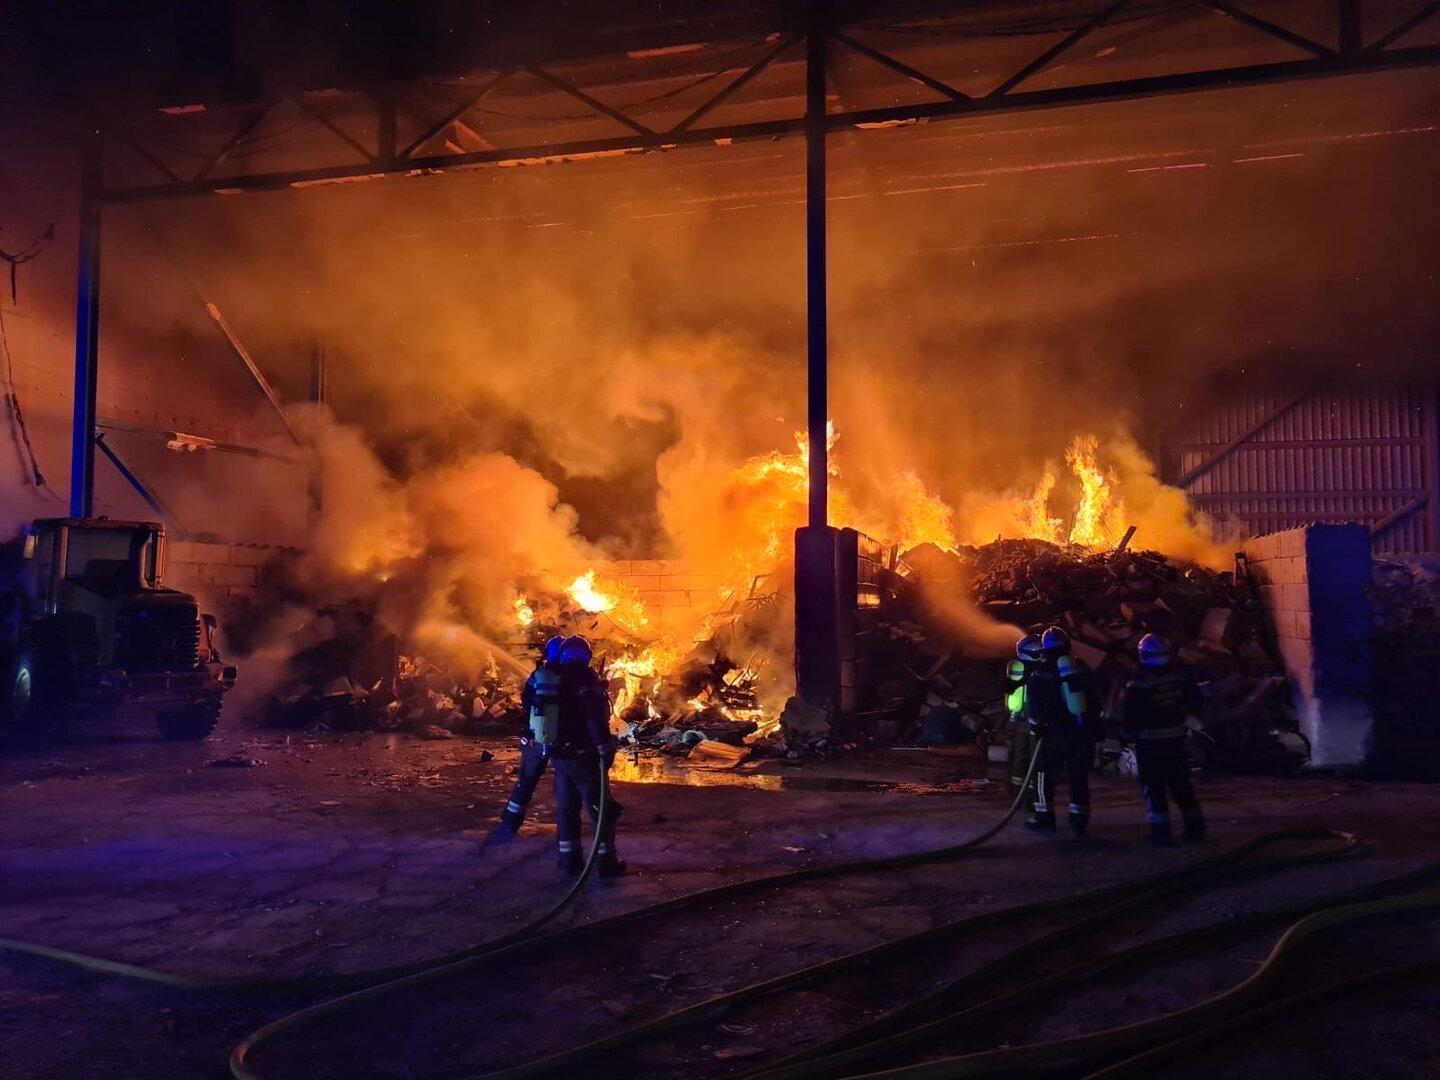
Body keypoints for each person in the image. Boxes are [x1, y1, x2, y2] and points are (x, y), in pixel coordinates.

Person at [549, 635, 625, 877]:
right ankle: (606, 863)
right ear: (586, 656)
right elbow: (594, 720)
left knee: (567, 809)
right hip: (584, 756)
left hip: (560, 756)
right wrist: (604, 746)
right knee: (600, 809)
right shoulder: (585, 682)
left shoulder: (554, 681)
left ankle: (569, 861)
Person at [1121, 634, 1206, 845]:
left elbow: (1131, 715)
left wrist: (1125, 736)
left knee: (1154, 788)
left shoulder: (1138, 682)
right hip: (1176, 740)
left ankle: (1160, 833)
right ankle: (1196, 829)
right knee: (1182, 786)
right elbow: (1195, 700)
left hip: (1150, 744)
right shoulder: (1180, 676)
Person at [1022, 626, 1099, 837]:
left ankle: (1044, 818)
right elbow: (1094, 699)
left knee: (1043, 775)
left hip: (1052, 735)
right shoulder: (1082, 669)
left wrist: (1036, 727)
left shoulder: (1040, 673)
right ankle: (1078, 822)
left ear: (1044, 649)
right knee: (1079, 777)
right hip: (1079, 732)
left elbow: (1034, 706)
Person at [492, 636, 563, 840]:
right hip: (561, 741)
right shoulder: (567, 678)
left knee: (526, 782)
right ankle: (565, 827)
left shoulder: (538, 676)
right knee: (565, 786)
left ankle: (510, 824)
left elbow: (526, 701)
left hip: (534, 738)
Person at [1005, 634, 1044, 797]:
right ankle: (1032, 793)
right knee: (1035, 757)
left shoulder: (1016, 667)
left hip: (1019, 718)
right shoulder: (1043, 670)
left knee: (1019, 755)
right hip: (1036, 717)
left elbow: (1008, 690)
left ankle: (1016, 792)